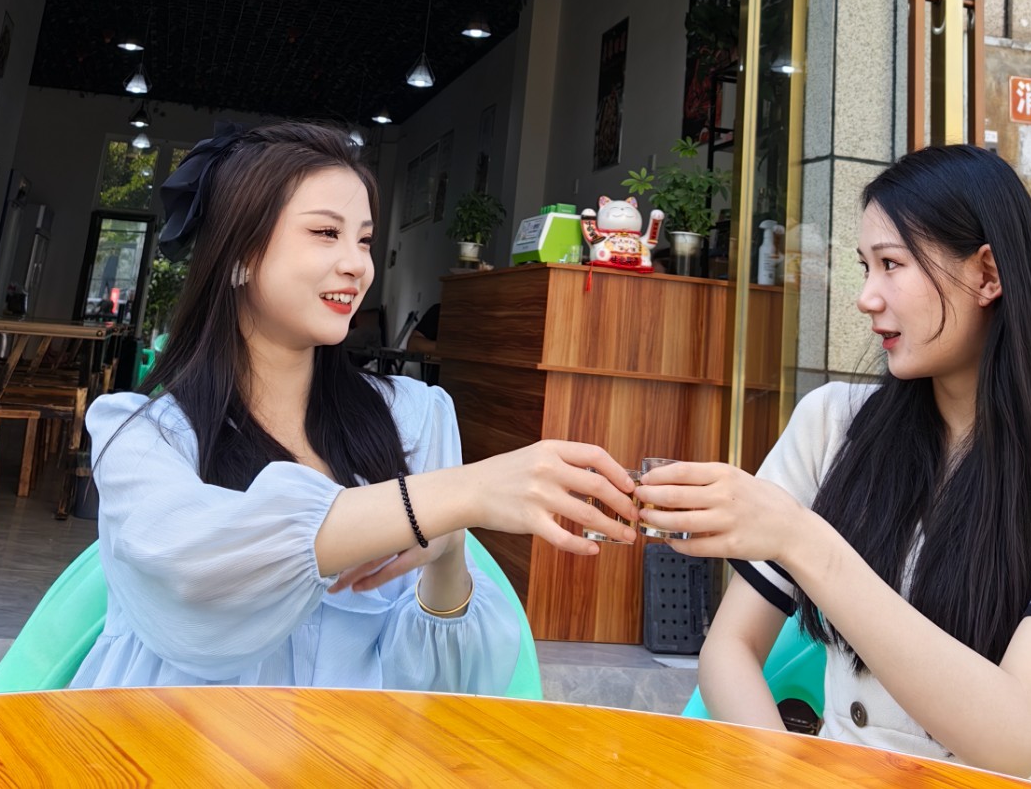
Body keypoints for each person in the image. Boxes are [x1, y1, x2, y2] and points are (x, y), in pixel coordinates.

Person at [635, 145, 1031, 789]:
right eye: (865, 267)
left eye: (892, 264)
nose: (866, 298)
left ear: (987, 275)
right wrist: (785, 776)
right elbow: (730, 648)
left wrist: (802, 540)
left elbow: (1017, 737)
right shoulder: (832, 425)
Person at [71, 121, 636, 694]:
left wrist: (448, 554)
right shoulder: (142, 435)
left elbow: (444, 689)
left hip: (356, 742)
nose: (357, 265)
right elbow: (193, 576)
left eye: (363, 240)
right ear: (238, 255)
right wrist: (466, 491)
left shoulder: (413, 417)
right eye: (325, 233)